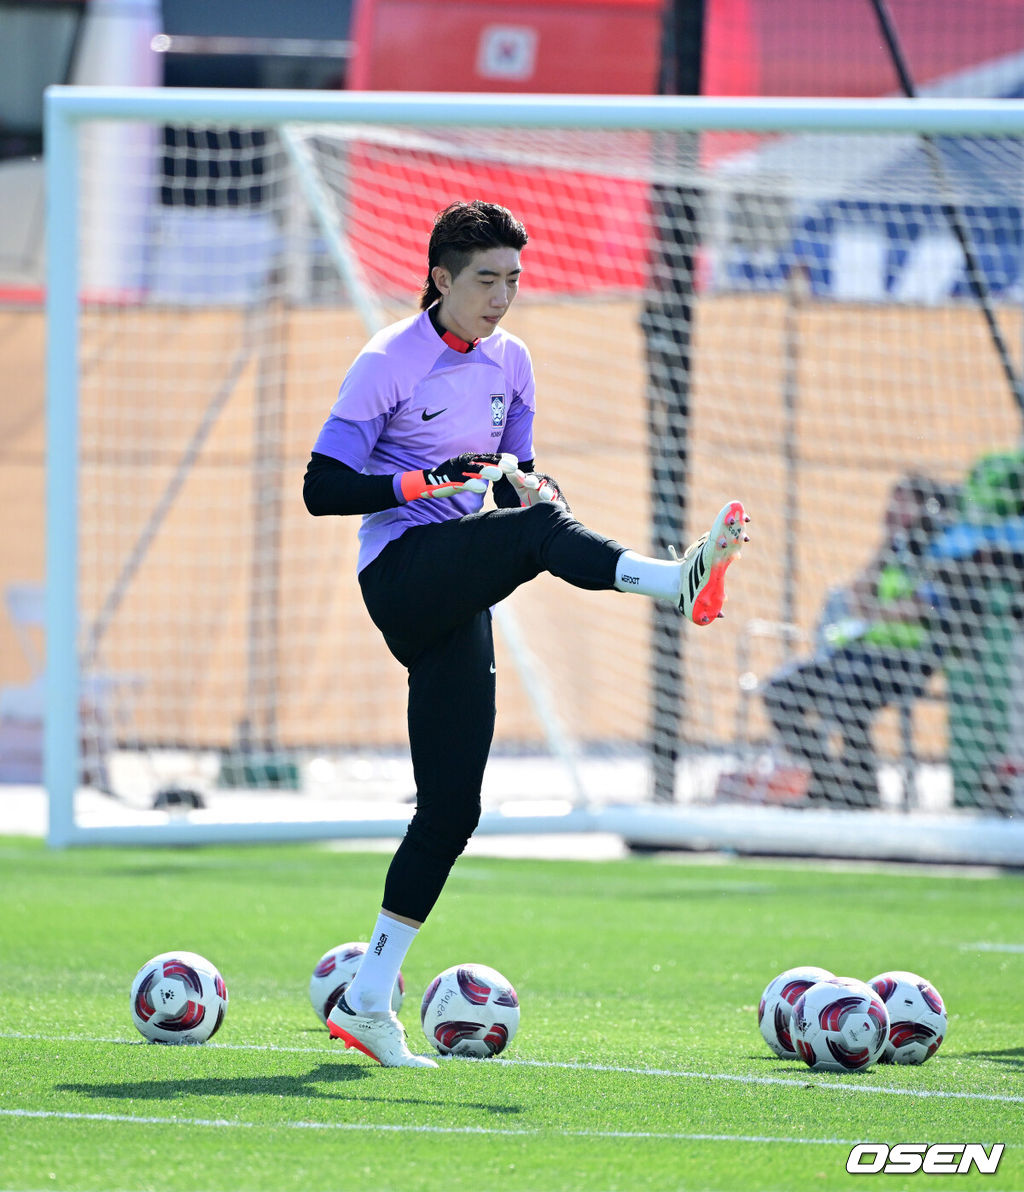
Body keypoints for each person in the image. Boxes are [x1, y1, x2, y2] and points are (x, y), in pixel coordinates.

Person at [303, 200, 748, 1066]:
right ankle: (671, 578)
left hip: (457, 584)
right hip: (397, 576)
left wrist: (530, 492)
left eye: (513, 278)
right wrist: (428, 483)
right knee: (534, 543)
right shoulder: (388, 359)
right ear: (441, 279)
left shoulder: (514, 362)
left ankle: (365, 1002)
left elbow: (516, 483)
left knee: (451, 811)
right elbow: (322, 488)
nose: (503, 296)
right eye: (485, 280)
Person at [760, 474, 953, 809]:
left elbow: (924, 605)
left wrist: (879, 611)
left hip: (905, 660)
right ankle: (826, 782)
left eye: (903, 502)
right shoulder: (895, 549)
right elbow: (858, 599)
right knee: (780, 691)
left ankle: (863, 793)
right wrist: (886, 544)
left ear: (925, 507)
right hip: (860, 654)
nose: (894, 508)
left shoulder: (938, 548)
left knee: (847, 692)